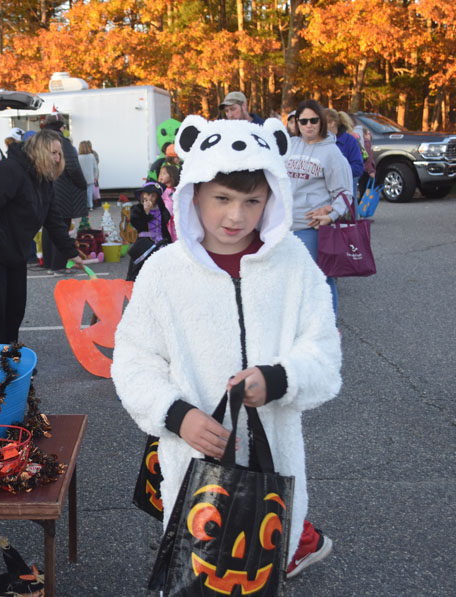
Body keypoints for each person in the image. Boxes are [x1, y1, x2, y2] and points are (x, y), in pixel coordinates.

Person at [112, 115, 341, 584]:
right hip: (193, 461)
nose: (235, 217)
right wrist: (177, 415)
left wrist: (278, 379)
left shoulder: (293, 263)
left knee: (260, 571)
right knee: (197, 573)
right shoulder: (163, 271)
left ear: (272, 197)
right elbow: (134, 362)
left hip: (273, 459)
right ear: (192, 192)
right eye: (221, 199)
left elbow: (323, 353)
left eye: (252, 201)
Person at [0, 129, 83, 345]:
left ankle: (10, 355)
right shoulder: (10, 171)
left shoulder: (43, 179)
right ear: (39, 151)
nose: (58, 158)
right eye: (54, 153)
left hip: (12, 249)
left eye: (59, 154)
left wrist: (72, 252)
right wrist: (3, 247)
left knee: (16, 306)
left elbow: (53, 219)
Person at [286, 100, 353, 317]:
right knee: (292, 281)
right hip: (285, 226)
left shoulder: (331, 153)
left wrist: (331, 215)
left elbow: (344, 193)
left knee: (321, 277)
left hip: (311, 227)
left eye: (313, 120)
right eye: (303, 121)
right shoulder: (290, 146)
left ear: (321, 122)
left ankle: (329, 326)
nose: (308, 125)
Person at [41, 114, 88, 275]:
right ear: (60, 127)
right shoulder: (61, 142)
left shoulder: (41, 141)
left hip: (48, 188)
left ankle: (48, 263)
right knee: (61, 227)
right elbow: (73, 166)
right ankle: (58, 265)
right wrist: (82, 184)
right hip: (64, 192)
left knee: (49, 227)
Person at [125, 181, 172, 281]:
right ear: (142, 195)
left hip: (161, 242)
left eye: (153, 195)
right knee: (139, 269)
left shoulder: (161, 209)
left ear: (157, 198)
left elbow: (165, 224)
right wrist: (146, 213)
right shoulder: (137, 209)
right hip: (144, 242)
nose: (149, 197)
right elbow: (137, 224)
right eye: (147, 194)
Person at [326, 109, 364, 202]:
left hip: (346, 191)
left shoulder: (350, 141)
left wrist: (338, 172)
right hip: (326, 195)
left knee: (349, 214)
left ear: (332, 123)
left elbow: (358, 167)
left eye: (322, 124)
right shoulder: (320, 142)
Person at [158, 163, 180, 241]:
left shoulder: (174, 190)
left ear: (172, 175)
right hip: (166, 219)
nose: (161, 176)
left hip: (173, 219)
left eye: (164, 174)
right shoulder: (161, 190)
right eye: (160, 174)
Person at [78, 140, 99, 210]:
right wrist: (95, 177)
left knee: (82, 193)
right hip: (91, 178)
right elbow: (95, 167)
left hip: (81, 178)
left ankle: (83, 206)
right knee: (90, 193)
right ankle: (90, 206)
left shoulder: (78, 157)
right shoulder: (91, 156)